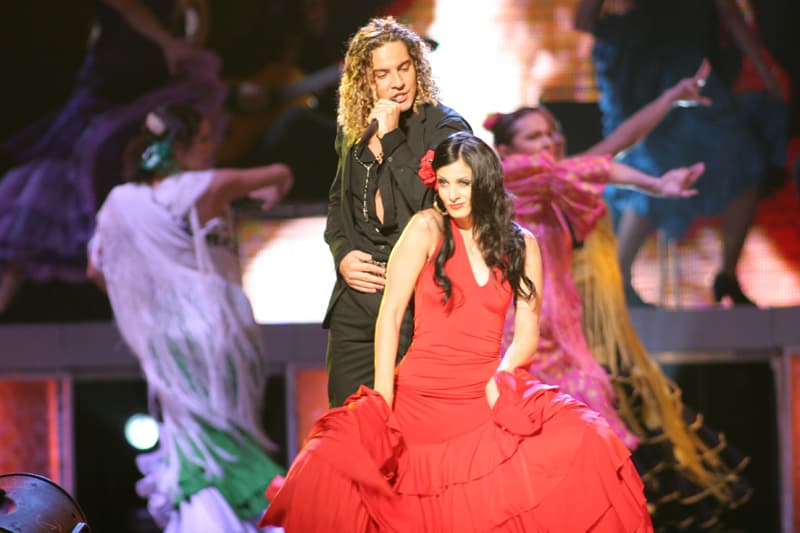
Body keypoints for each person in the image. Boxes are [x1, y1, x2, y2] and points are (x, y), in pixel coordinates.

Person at [260, 131, 652, 531]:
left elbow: (527, 333)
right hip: (420, 396)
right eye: (444, 182)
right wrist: (382, 398)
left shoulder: (521, 244)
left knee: (588, 441)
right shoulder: (427, 228)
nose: (452, 193)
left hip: (484, 393)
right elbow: (391, 315)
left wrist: (502, 374)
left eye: (462, 182)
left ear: (483, 181)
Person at [486, 72, 751, 528]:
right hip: (518, 343)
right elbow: (602, 165)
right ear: (506, 152)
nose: (548, 142)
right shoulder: (508, 180)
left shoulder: (559, 180)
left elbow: (614, 148)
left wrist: (669, 96)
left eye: (552, 133)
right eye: (533, 136)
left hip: (565, 340)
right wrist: (654, 185)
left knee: (595, 451)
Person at [86, 104, 291, 532]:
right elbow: (277, 171)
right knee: (225, 437)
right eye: (203, 139)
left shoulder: (119, 205)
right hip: (217, 336)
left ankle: (232, 515)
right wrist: (275, 186)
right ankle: (280, 509)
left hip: (166, 341)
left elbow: (96, 270)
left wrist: (148, 304)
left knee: (198, 440)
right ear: (178, 148)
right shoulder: (200, 187)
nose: (212, 146)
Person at [0, 0, 226, 313]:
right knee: (49, 188)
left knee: (122, 185)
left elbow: (196, 7)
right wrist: (171, 44)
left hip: (148, 76)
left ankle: (159, 297)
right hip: (117, 76)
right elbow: (128, 6)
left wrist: (185, 46)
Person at [574, 0, 786, 306]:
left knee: (744, 157)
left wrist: (766, 72)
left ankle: (726, 274)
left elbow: (729, 13)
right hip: (643, 69)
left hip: (688, 68)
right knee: (651, 163)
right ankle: (617, 276)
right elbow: (584, 21)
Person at [323, 17, 470, 406]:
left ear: (417, 67)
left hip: (414, 306)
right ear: (366, 81)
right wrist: (342, 255)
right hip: (355, 307)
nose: (397, 82)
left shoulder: (445, 129)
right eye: (383, 74)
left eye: (404, 68)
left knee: (406, 434)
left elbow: (431, 209)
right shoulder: (353, 128)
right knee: (349, 431)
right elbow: (340, 203)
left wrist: (390, 137)